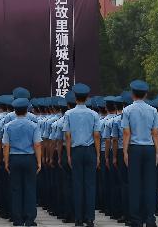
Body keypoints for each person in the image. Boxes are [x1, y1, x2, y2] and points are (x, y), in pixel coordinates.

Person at [121, 80, 158, 227]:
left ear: (132, 94)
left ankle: (136, 219)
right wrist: (157, 151)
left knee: (135, 185)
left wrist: (125, 151)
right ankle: (150, 218)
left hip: (135, 148)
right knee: (149, 185)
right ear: (146, 94)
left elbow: (126, 132)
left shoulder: (128, 110)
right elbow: (155, 133)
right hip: (149, 148)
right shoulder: (153, 110)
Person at [63, 84, 100, 227]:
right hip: (90, 150)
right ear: (87, 97)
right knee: (90, 185)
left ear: (75, 97)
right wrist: (97, 155)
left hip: (76, 150)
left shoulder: (69, 114)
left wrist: (68, 155)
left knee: (77, 185)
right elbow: (96, 135)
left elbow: (67, 135)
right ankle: (90, 218)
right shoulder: (94, 114)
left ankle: (78, 219)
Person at [2, 98, 42, 227]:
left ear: (15, 111)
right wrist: (39, 162)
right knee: (30, 189)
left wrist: (6, 161)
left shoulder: (8, 126)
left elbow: (6, 146)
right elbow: (37, 144)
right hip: (29, 158)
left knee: (16, 189)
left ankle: (17, 219)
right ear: (27, 110)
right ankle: (30, 219)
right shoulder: (33, 125)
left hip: (14, 158)